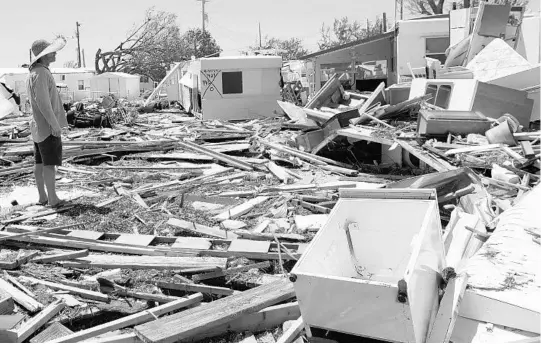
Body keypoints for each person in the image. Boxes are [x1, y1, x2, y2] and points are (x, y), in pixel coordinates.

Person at [26, 36, 70, 208]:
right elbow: (44, 103)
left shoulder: (33, 73)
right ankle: (52, 199)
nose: (55, 55)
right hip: (46, 127)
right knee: (49, 164)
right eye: (52, 52)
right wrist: (54, 124)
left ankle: (43, 197)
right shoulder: (42, 73)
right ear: (44, 55)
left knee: (39, 163)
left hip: (37, 127)